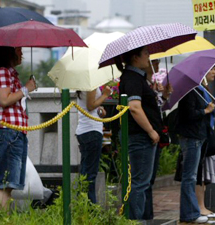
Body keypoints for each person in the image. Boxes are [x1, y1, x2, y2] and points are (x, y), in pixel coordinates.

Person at [117, 46, 163, 219]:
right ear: (135, 57)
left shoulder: (137, 78)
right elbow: (135, 108)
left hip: (141, 137)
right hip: (140, 137)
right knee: (139, 183)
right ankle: (135, 221)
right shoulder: (132, 78)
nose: (149, 57)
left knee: (141, 182)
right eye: (145, 54)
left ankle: (138, 219)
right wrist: (151, 131)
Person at [0, 46, 36, 210]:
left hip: (14, 133)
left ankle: (2, 218)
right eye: (18, 50)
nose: (21, 53)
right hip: (7, 132)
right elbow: (5, 100)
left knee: (9, 184)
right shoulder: (2, 72)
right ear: (8, 52)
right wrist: (26, 89)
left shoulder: (11, 74)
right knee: (4, 183)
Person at [176, 67, 215, 223]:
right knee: (190, 177)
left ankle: (192, 212)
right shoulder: (190, 91)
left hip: (199, 136)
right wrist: (205, 111)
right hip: (191, 137)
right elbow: (188, 114)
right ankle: (190, 214)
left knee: (193, 176)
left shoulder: (199, 90)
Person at [143, 59, 173, 220]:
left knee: (150, 178)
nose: (157, 66)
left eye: (158, 63)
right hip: (147, 135)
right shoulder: (141, 83)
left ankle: (148, 214)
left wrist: (164, 95)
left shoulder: (151, 84)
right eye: (154, 62)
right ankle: (143, 216)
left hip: (156, 134)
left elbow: (159, 108)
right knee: (144, 179)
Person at [195, 67, 215, 218]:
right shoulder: (197, 89)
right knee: (199, 173)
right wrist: (214, 108)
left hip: (206, 134)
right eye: (211, 70)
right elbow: (201, 110)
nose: (214, 72)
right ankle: (199, 206)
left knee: (204, 173)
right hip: (200, 135)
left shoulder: (204, 89)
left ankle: (202, 206)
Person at [75, 86, 111, 203]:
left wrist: (100, 110)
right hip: (92, 130)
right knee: (90, 173)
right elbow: (90, 106)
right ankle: (90, 206)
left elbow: (90, 106)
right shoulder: (90, 84)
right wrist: (105, 95)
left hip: (85, 130)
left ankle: (82, 202)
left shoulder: (83, 85)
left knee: (86, 171)